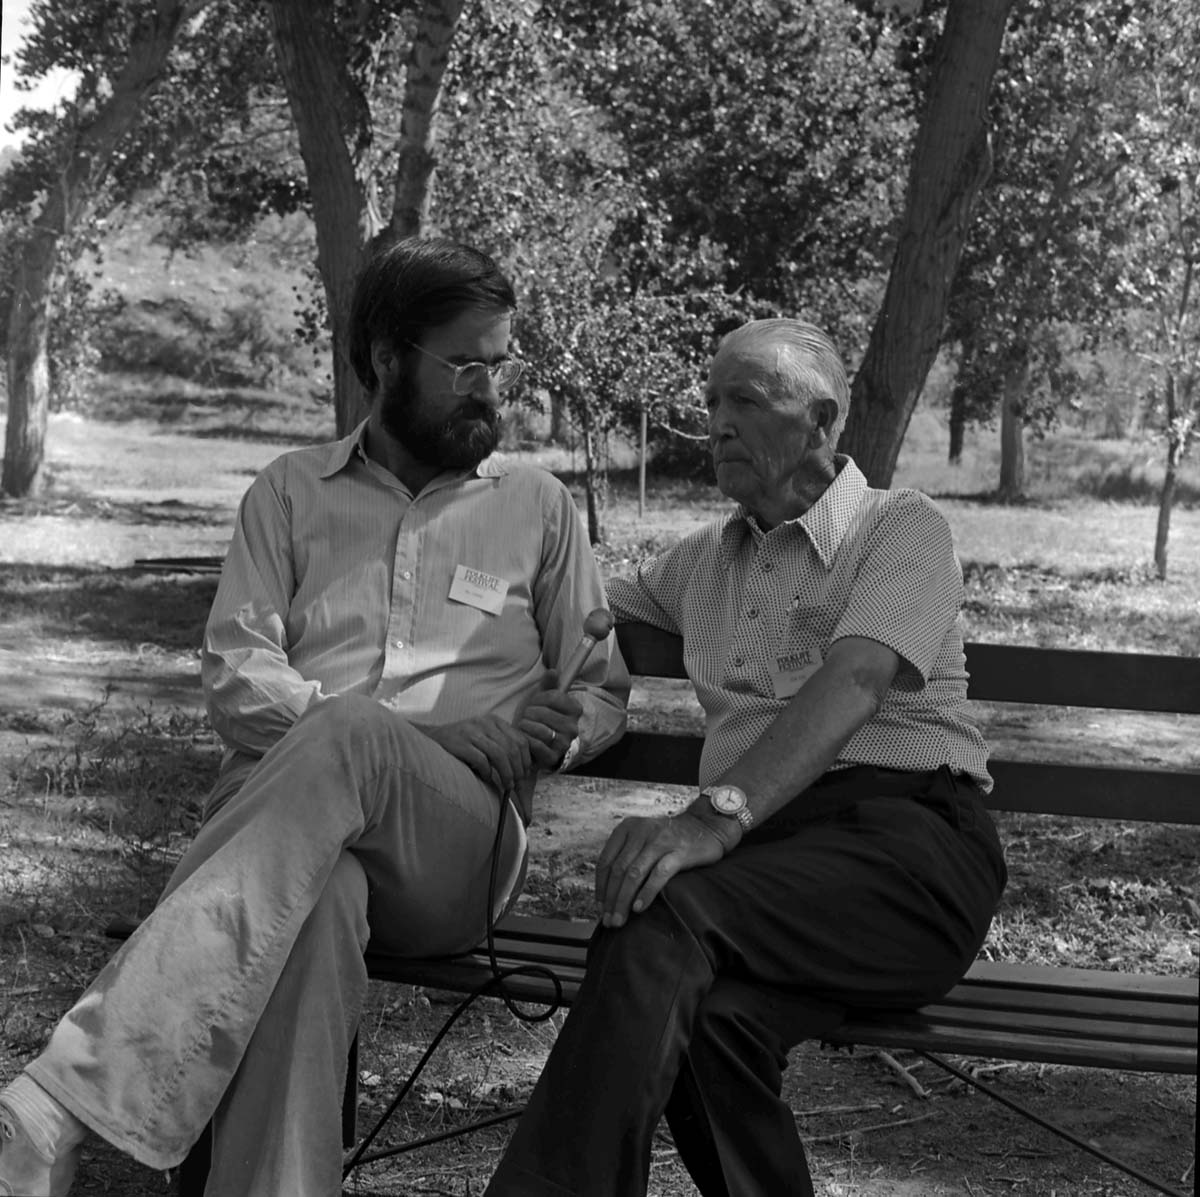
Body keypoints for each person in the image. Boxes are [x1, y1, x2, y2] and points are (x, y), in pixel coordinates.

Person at [0, 235, 628, 1197]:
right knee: (321, 889)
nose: (489, 392)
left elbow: (601, 684)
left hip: (452, 849)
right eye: (463, 364)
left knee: (344, 734)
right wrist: (402, 732)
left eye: (497, 367)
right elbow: (237, 676)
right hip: (283, 840)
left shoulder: (538, 506)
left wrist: (571, 722)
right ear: (384, 357)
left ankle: (55, 1107)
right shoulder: (289, 494)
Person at [484, 318, 1007, 1197]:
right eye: (712, 401)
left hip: (909, 856)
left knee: (662, 907)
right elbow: (574, 611)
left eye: (747, 401)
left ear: (823, 420)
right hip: (769, 878)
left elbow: (855, 682)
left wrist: (712, 815)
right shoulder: (703, 562)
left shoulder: (901, 529)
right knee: (701, 1023)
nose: (717, 423)